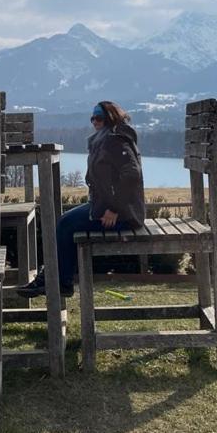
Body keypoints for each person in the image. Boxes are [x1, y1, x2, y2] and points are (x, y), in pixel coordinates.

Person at [16, 100, 146, 298]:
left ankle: (59, 282)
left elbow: (132, 175)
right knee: (64, 222)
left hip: (124, 216)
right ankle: (54, 278)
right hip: (104, 207)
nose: (95, 121)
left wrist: (115, 209)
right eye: (92, 117)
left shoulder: (116, 140)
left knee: (66, 226)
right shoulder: (104, 139)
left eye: (99, 117)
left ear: (111, 118)